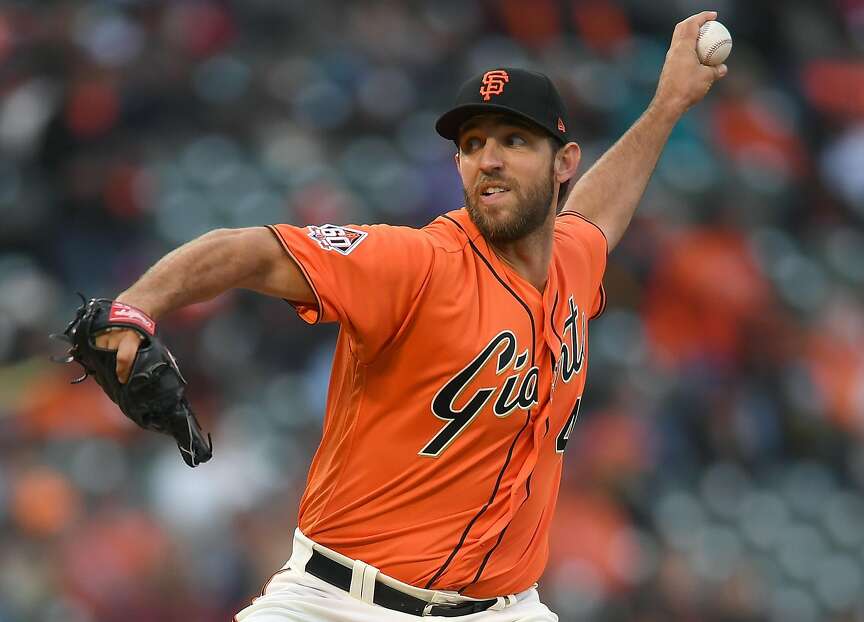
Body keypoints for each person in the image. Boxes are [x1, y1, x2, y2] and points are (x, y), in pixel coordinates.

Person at [94, 11, 726, 622]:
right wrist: (136, 307)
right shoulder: (416, 262)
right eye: (473, 144)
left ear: (564, 163)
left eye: (515, 140)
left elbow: (598, 218)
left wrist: (668, 104)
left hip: (503, 611)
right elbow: (251, 252)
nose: (490, 159)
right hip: (338, 601)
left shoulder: (572, 261)